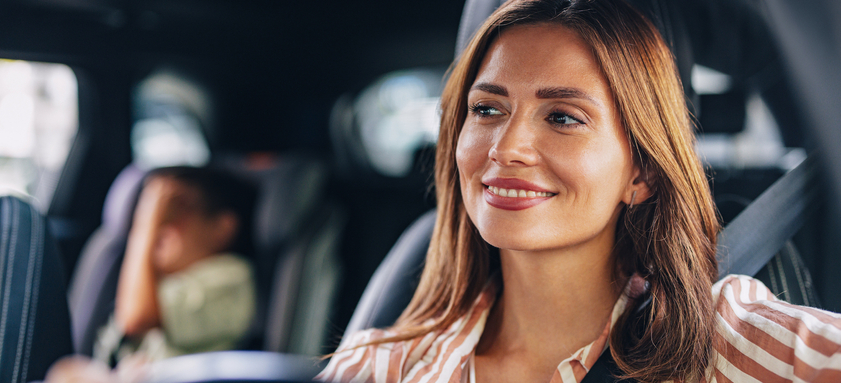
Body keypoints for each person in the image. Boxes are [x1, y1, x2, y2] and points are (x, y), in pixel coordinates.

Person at [318, 1, 841, 382]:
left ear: (642, 176)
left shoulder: (727, 342)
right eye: (487, 109)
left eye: (563, 116)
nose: (508, 147)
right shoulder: (377, 368)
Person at [46, 166, 257, 382]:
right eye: (157, 211)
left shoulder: (230, 276)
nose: (162, 224)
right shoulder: (157, 282)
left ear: (223, 227)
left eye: (177, 208)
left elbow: (136, 318)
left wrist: (147, 224)